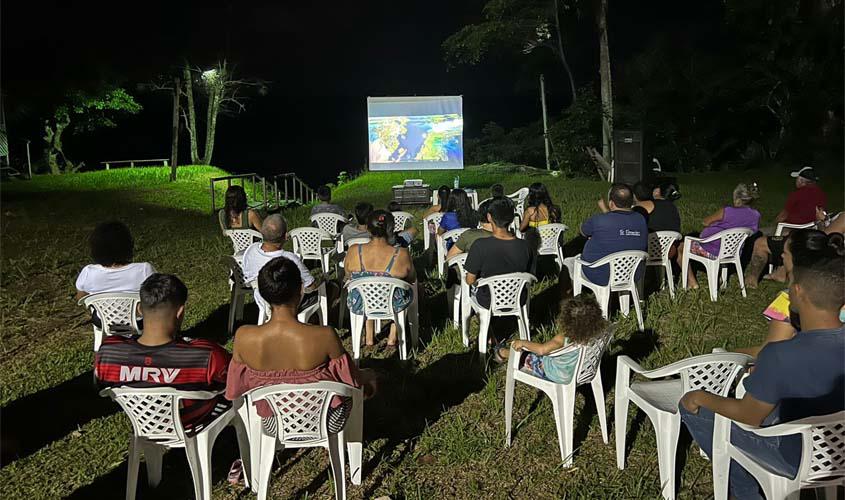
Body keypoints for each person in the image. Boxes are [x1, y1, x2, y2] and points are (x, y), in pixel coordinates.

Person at [679, 247, 844, 500]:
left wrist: (700, 396)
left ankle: (744, 493)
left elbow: (749, 416)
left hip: (800, 458)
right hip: (837, 447)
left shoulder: (780, 354)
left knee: (694, 408)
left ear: (798, 293)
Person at [225, 257, 376, 423]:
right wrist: (371, 374)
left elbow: (235, 389)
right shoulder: (324, 335)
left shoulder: (243, 337)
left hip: (273, 422)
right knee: (368, 383)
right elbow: (351, 379)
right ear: (301, 290)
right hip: (324, 420)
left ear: (262, 294)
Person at [95, 274, 231, 427]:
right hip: (191, 420)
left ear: (139, 309)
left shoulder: (109, 353)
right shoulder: (206, 355)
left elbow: (102, 385)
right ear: (180, 312)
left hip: (142, 421)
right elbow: (233, 379)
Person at [735, 230, 845, 357]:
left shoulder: (791, 300)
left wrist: (726, 353)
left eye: (785, 253)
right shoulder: (838, 293)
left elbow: (768, 352)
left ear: (796, 258)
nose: (781, 256)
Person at [343, 210, 416, 349]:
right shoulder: (401, 253)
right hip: (393, 303)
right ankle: (392, 338)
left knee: (364, 285)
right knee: (400, 290)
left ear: (368, 228)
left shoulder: (354, 251)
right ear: (391, 229)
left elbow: (348, 274)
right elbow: (412, 278)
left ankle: (369, 337)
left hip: (361, 303)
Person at [493, 295, 609, 377]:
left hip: (557, 373)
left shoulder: (563, 338)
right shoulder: (598, 333)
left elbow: (542, 350)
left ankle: (502, 353)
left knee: (528, 356)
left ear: (565, 319)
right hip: (583, 369)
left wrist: (522, 342)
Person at [676, 183, 760, 289]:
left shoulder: (728, 211)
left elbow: (705, 222)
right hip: (733, 250)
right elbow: (753, 231)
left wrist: (715, 226)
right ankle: (721, 276)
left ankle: (692, 282)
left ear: (736, 197)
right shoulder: (755, 215)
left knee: (681, 248)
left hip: (712, 249)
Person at [567, 184, 648, 287]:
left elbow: (583, 232)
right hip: (632, 274)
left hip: (598, 275)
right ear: (632, 202)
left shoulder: (599, 220)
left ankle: (569, 300)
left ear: (611, 203)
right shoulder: (641, 219)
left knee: (568, 263)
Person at [744, 206, 844, 288]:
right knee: (786, 235)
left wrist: (821, 220)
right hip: (809, 240)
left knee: (761, 243)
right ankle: (781, 274)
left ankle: (752, 280)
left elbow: (824, 238)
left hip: (809, 246)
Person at [465, 197, 533, 314]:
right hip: (518, 298)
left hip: (488, 300)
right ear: (512, 218)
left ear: (489, 217)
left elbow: (470, 280)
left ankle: (487, 329)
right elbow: (530, 275)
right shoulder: (525, 246)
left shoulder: (480, 245)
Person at [242, 215, 320, 310]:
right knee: (332, 288)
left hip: (262, 300)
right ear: (286, 236)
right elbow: (311, 286)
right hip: (287, 306)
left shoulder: (251, 250)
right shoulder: (289, 259)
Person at [75, 221, 156, 301]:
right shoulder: (144, 270)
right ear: (128, 245)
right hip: (138, 314)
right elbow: (159, 296)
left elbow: (81, 298)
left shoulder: (89, 273)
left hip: (101, 314)